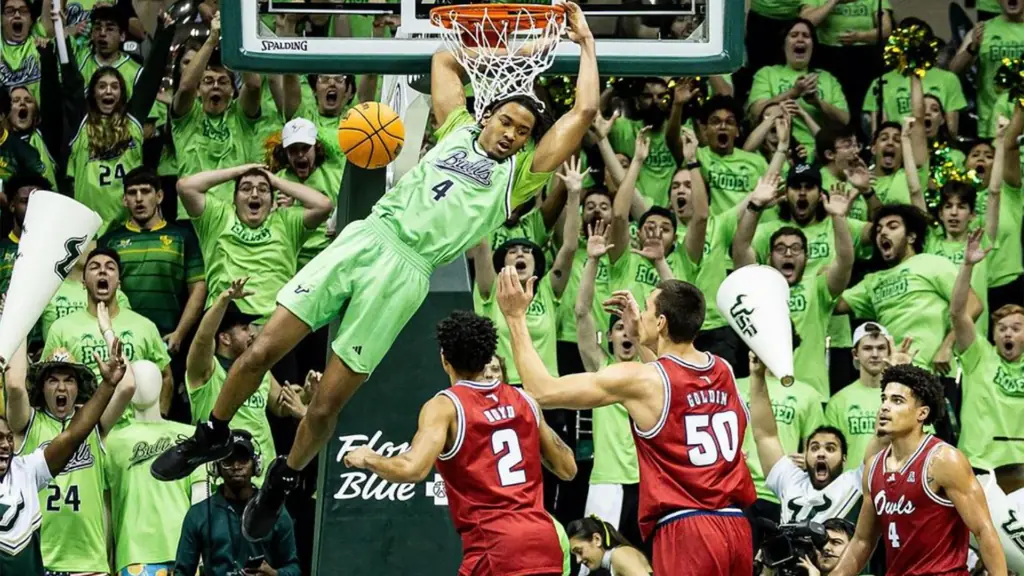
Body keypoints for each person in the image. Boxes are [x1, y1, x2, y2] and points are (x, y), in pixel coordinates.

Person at [152, 1, 599, 543]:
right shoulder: (457, 125)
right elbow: (444, 58)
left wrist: (585, 45)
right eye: (507, 120)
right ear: (488, 115)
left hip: (406, 274)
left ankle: (284, 478)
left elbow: (581, 114)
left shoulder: (518, 178)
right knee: (260, 349)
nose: (512, 134)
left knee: (327, 404)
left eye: (523, 131)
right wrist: (516, 52)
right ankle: (212, 431)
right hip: (367, 237)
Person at [496, 268, 756, 574]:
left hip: (688, 528)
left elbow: (542, 390)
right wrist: (641, 335)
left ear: (661, 322)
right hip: (737, 527)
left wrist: (514, 317)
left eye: (646, 309)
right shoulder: (722, 369)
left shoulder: (643, 379)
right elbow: (672, 378)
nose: (639, 314)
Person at [342, 310, 577, 576]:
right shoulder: (526, 400)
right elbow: (567, 468)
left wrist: (368, 458)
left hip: (495, 548)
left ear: (445, 358)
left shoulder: (446, 406)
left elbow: (412, 468)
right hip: (544, 543)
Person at [827, 364, 1008, 576]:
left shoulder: (943, 460)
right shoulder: (873, 467)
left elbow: (984, 531)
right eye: (884, 399)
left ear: (921, 413)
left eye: (897, 401)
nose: (885, 407)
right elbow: (862, 541)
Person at [4, 318, 136, 574]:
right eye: (52, 380)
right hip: (39, 561)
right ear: (42, 388)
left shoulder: (93, 423)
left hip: (88, 563)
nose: (61, 387)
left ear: (79, 388)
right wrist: (20, 317)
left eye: (69, 380)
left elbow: (127, 385)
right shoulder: (27, 423)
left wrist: (107, 330)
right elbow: (13, 385)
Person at [43, 248, 173, 412]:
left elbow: (166, 376)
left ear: (119, 282)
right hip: (85, 427)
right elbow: (46, 381)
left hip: (135, 427)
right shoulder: (61, 328)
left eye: (110, 267)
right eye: (94, 267)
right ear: (83, 281)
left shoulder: (145, 326)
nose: (102, 271)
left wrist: (158, 419)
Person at [174, 430, 301, 576]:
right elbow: (182, 572)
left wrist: (273, 574)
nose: (236, 466)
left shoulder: (275, 512)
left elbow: (293, 568)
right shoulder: (198, 514)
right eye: (228, 461)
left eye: (243, 459)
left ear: (256, 465)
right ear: (216, 468)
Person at [567, 516, 653, 576]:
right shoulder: (612, 561)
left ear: (597, 539)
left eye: (579, 551)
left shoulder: (619, 554)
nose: (578, 560)